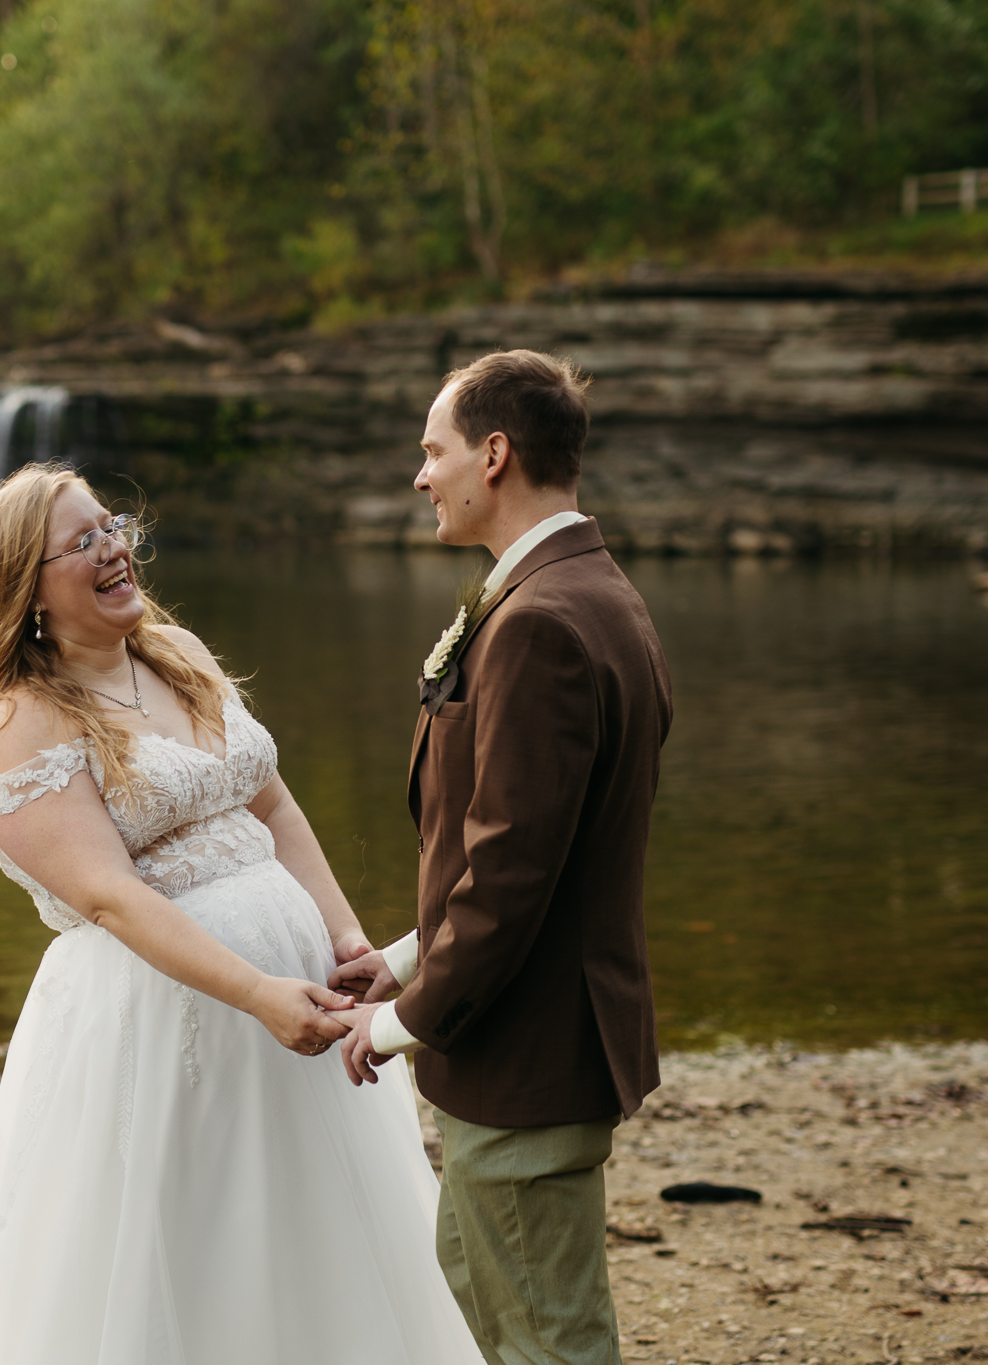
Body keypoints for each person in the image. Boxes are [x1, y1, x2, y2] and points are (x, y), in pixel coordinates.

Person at [0, 464, 480, 1365]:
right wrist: (255, 993)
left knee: (313, 1221)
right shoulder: (21, 720)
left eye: (112, 525)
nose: (115, 548)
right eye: (81, 541)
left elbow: (273, 807)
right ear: (26, 590)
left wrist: (346, 935)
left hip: (299, 990)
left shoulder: (180, 653)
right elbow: (110, 897)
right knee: (189, 1235)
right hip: (168, 1020)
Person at [331, 350, 674, 1365]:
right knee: (483, 1302)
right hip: (533, 1039)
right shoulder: (587, 591)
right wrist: (396, 958)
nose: (419, 475)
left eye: (431, 450)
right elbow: (524, 852)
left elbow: (513, 878)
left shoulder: (539, 624)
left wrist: (400, 1021)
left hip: (527, 1047)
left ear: (493, 453)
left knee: (546, 1342)